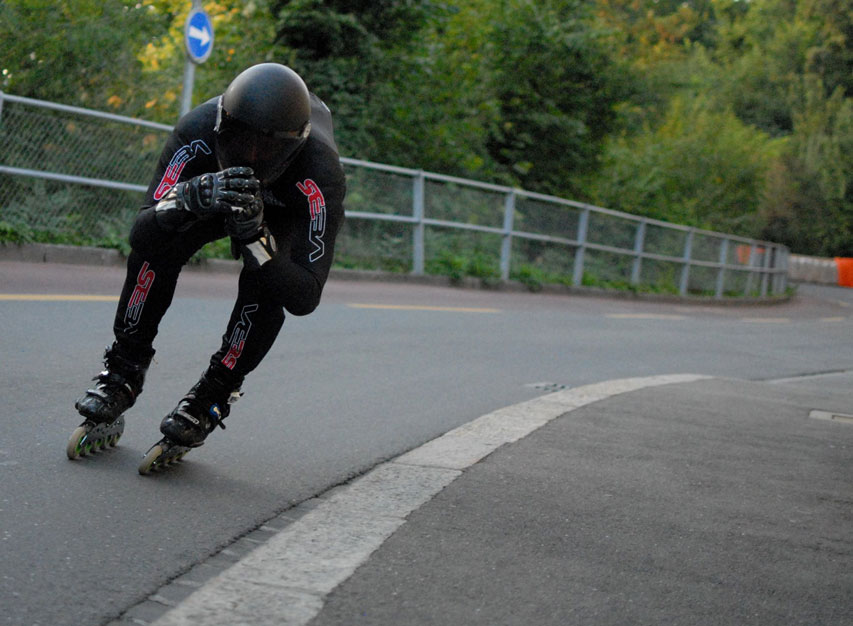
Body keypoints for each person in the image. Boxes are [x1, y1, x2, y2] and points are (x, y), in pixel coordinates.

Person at [73, 63, 346, 448]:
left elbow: (304, 297)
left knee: (266, 282)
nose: (251, 157)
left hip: (279, 214)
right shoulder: (196, 132)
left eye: (267, 148)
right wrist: (184, 199)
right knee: (157, 247)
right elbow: (141, 233)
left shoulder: (319, 174)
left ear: (295, 146)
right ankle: (123, 370)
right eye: (240, 139)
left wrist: (256, 239)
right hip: (208, 187)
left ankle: (215, 392)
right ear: (221, 125)